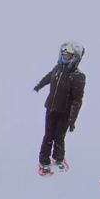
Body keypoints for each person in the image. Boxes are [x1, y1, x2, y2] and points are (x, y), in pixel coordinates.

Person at [33, 41, 86, 175]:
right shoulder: (58, 68)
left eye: (67, 55)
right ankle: (44, 161)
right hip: (51, 108)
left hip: (64, 112)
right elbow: (49, 77)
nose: (64, 56)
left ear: (75, 58)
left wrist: (72, 121)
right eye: (63, 54)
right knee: (48, 135)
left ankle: (58, 158)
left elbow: (77, 101)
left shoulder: (78, 76)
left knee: (59, 136)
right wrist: (39, 85)